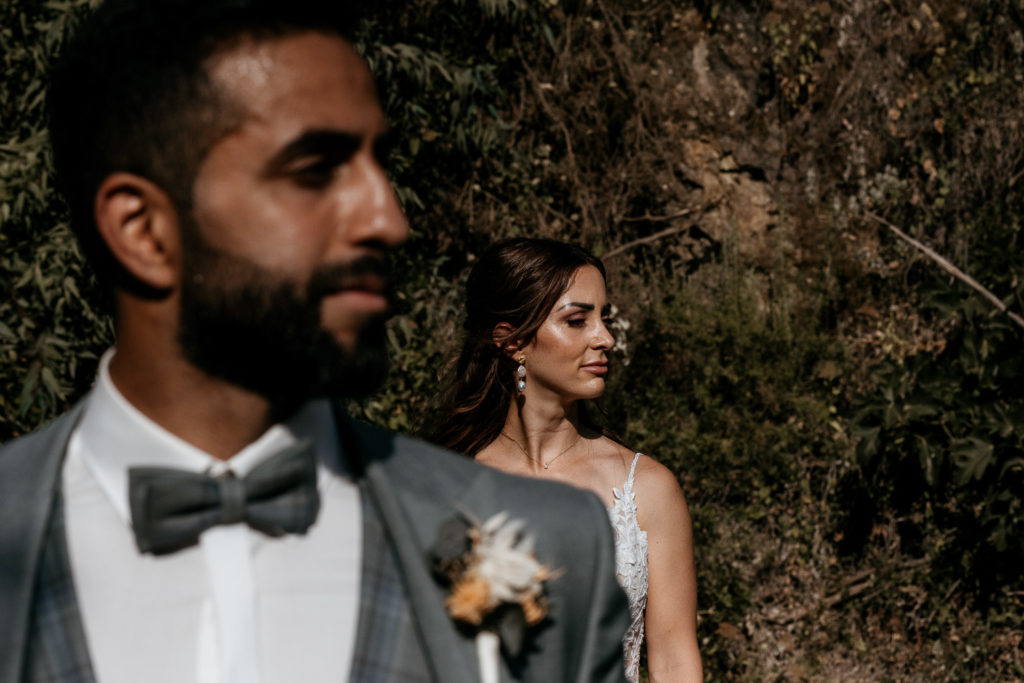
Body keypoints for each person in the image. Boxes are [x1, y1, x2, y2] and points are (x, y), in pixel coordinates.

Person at [0, 2, 630, 682]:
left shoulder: (549, 546)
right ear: (144, 231)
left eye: (378, 163)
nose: (389, 219)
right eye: (314, 170)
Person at [430, 238, 702, 682]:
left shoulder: (647, 488)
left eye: (605, 318)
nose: (606, 338)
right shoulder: (447, 486)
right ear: (513, 341)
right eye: (578, 321)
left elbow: (674, 661)